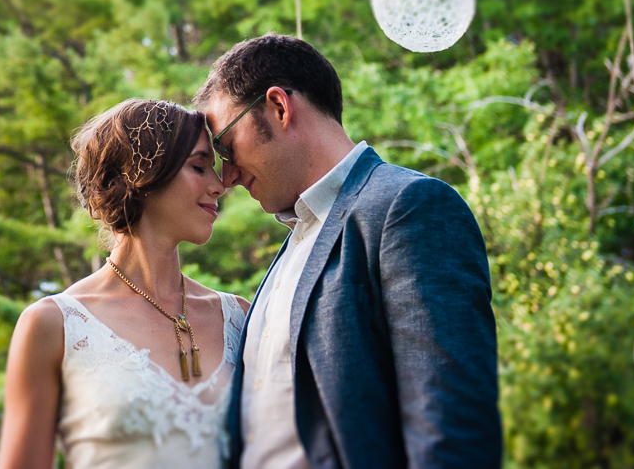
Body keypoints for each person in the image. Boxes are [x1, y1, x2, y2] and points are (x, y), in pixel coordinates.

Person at [199, 34, 501, 469]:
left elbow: (451, 423)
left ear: (279, 107)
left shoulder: (408, 206)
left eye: (225, 148)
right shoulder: (294, 244)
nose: (225, 176)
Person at [0, 99, 250, 469]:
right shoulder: (54, 326)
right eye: (199, 167)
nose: (219, 185)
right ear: (143, 175)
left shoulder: (239, 317)